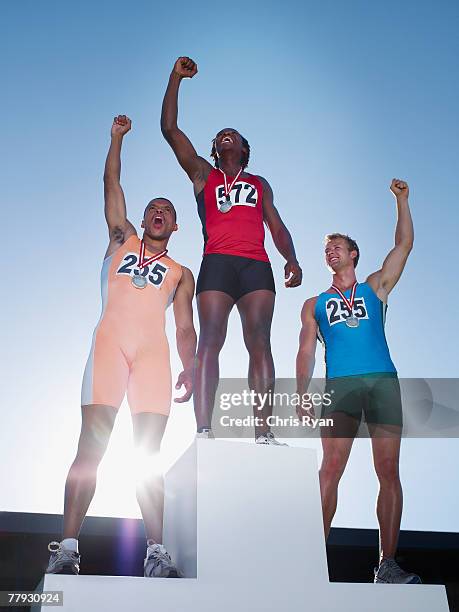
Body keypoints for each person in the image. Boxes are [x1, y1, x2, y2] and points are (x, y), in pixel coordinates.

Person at [46, 115, 196, 578]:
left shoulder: (181, 272)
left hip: (153, 358)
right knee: (90, 449)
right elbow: (111, 182)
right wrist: (115, 139)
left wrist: (189, 366)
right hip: (109, 348)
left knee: (147, 457)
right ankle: (67, 547)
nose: (157, 212)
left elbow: (186, 327)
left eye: (166, 210)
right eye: (152, 207)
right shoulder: (120, 239)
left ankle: (154, 552)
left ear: (175, 225)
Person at [161, 56, 302, 444]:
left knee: (259, 339)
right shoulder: (203, 175)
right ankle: (204, 430)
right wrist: (176, 78)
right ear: (215, 148)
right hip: (218, 263)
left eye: (233, 134)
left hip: (256, 264)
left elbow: (274, 223)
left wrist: (291, 257)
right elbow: (169, 129)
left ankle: (264, 432)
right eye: (220, 133)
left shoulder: (259, 182)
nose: (226, 135)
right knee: (210, 339)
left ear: (243, 148)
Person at [296, 179, 420, 583]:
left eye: (338, 246)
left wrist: (401, 201)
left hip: (383, 382)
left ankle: (387, 564)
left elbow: (403, 247)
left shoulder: (375, 286)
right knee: (330, 469)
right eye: (326, 248)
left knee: (388, 469)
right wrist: (301, 393)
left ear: (353, 254)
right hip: (340, 388)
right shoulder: (314, 303)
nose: (330, 250)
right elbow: (306, 351)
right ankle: (311, 559)